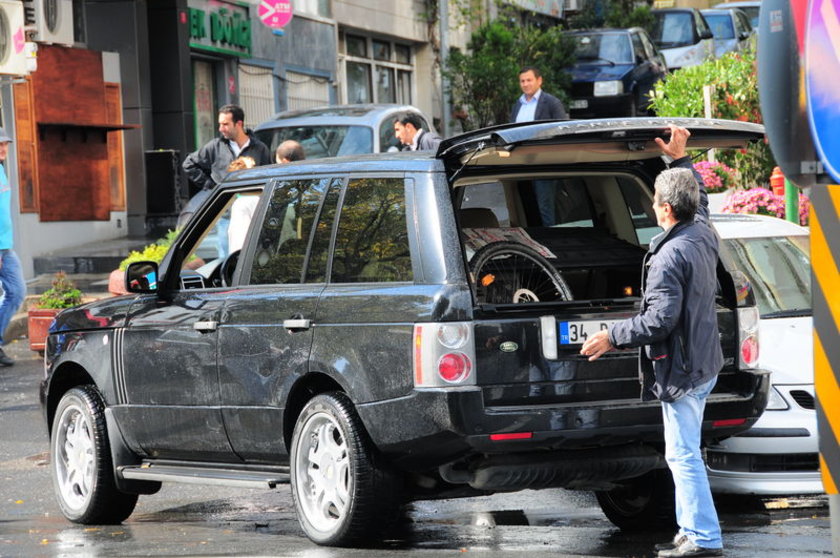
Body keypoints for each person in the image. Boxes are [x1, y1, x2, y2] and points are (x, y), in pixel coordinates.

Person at [580, 125, 724, 558]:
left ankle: (702, 537)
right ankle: (692, 529)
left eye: (657, 202)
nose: (654, 207)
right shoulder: (702, 232)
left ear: (665, 208)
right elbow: (702, 200)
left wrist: (611, 335)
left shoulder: (668, 256)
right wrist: (680, 159)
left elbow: (660, 320)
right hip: (703, 363)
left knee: (682, 456)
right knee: (685, 452)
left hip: (682, 369)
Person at [179, 105, 272, 231]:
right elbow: (188, 164)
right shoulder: (215, 147)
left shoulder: (260, 148)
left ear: (239, 124)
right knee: (226, 244)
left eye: (225, 124)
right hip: (225, 215)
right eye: (220, 124)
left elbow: (268, 176)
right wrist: (210, 185)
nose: (221, 128)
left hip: (254, 213)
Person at [510, 67, 568, 226]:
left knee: (545, 208)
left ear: (539, 80)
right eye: (522, 81)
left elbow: (563, 132)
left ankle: (551, 239)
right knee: (527, 207)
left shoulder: (551, 103)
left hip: (544, 164)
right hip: (521, 164)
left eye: (529, 80)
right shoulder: (518, 104)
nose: (525, 84)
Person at [0, 128, 26, 366]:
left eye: (5, 144)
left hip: (6, 247)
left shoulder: (1, 169)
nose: (3, 148)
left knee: (17, 292)